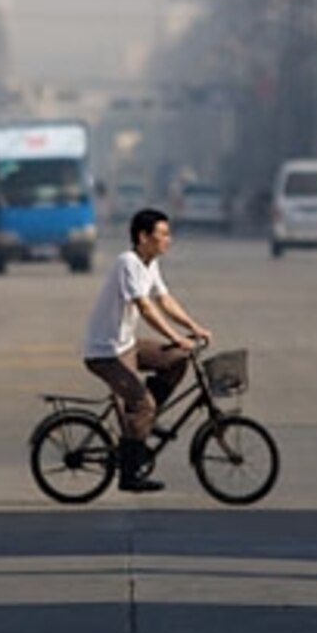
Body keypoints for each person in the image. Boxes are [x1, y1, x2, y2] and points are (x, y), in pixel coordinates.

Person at [81, 207, 211, 492]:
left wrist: (194, 326)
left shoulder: (150, 263)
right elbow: (145, 307)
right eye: (162, 234)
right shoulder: (128, 262)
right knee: (143, 404)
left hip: (126, 344)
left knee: (178, 360)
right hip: (105, 352)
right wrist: (175, 335)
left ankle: (144, 424)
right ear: (143, 237)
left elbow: (164, 300)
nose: (169, 239)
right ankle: (129, 475)